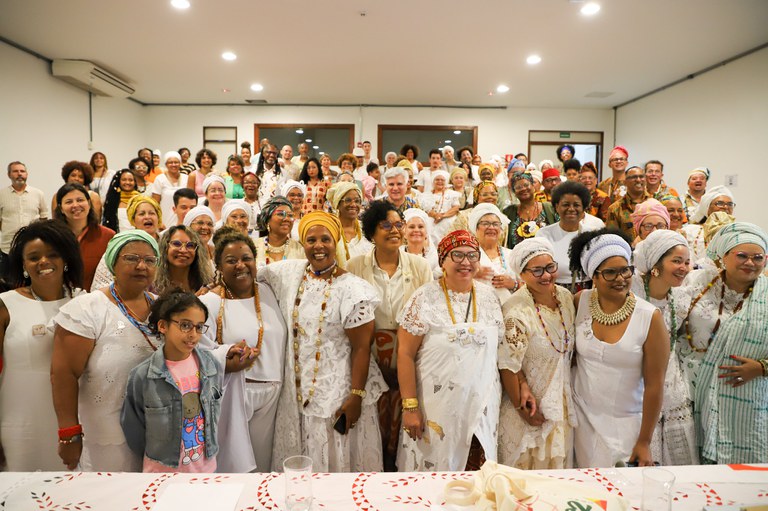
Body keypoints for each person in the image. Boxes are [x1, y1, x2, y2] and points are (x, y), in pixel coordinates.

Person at [259, 211, 387, 472]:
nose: (318, 246)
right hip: (298, 395)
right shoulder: (291, 275)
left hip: (338, 394)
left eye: (325, 239)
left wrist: (356, 396)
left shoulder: (352, 289)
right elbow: (252, 273)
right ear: (303, 244)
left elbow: (362, 348)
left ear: (335, 242)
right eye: (311, 240)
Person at [51, 230, 162, 471]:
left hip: (157, 436)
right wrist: (69, 433)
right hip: (106, 438)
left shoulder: (161, 306)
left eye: (149, 260)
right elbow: (64, 374)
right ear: (112, 262)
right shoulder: (87, 308)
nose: (141, 266)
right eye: (131, 258)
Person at [397, 230, 503, 471]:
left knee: (479, 472)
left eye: (472, 255)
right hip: (436, 405)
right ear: (442, 260)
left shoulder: (489, 296)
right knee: (436, 469)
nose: (466, 262)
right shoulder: (424, 297)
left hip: (483, 403)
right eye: (457, 255)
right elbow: (404, 353)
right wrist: (410, 406)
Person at [121, 291, 255, 473]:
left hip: (206, 471)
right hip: (161, 473)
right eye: (185, 325)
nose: (193, 334)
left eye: (199, 327)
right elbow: (134, 429)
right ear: (163, 325)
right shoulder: (144, 376)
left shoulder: (210, 365)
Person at [568, 229, 669, 467]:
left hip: (625, 428)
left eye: (625, 270)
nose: (620, 278)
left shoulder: (649, 317)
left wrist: (644, 441)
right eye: (610, 272)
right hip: (580, 423)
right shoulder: (580, 301)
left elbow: (655, 386)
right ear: (593, 276)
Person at [347, 201, 433, 470]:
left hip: (409, 356)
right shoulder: (355, 266)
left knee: (404, 428)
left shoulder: (419, 266)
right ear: (371, 232)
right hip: (369, 356)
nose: (395, 230)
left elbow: (428, 314)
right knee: (374, 427)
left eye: (398, 225)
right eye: (386, 225)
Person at [198, 229, 287, 472]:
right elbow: (198, 352)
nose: (240, 265)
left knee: (263, 466)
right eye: (231, 260)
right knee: (232, 467)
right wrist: (227, 357)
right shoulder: (208, 302)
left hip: (272, 393)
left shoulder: (269, 291)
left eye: (247, 258)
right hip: (234, 391)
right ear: (218, 266)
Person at [0, 220, 83, 471]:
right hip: (19, 419)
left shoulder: (85, 301)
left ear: (65, 259)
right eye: (34, 257)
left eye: (52, 254)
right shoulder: (6, 304)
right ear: (23, 265)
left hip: (75, 420)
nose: (43, 262)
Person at [692, 222, 768, 464]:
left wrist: (761, 367)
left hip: (749, 398)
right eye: (742, 255)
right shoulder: (697, 283)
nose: (750, 263)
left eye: (758, 257)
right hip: (695, 389)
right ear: (724, 256)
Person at [498, 237, 576, 469]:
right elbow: (507, 365)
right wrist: (522, 409)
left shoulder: (565, 297)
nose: (546, 275)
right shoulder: (516, 311)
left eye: (550, 267)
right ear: (522, 274)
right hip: (529, 407)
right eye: (537, 270)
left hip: (561, 403)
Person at [631, 230, 698, 466]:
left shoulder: (681, 299)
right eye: (676, 261)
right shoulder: (631, 293)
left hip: (670, 381)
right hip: (633, 380)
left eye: (687, 262)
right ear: (656, 265)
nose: (684, 268)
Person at [536, 181, 603, 293]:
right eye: (566, 204)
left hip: (586, 295)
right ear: (557, 207)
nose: (571, 209)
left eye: (576, 205)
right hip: (553, 294)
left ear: (584, 208)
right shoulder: (543, 234)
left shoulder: (592, 235)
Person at [90, 195, 162, 291]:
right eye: (142, 214)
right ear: (133, 220)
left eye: (152, 213)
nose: (147, 217)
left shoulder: (168, 243)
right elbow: (101, 284)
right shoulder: (120, 244)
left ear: (158, 218)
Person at [54, 183, 115, 290]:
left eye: (80, 200)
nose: (75, 205)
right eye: (69, 202)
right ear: (61, 208)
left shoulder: (108, 236)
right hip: (60, 297)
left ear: (89, 203)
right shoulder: (52, 237)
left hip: (96, 297)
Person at [0, 161, 49, 277]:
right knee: (8, 282)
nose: (19, 174)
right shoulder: (1, 195)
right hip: (8, 249)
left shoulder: (38, 194)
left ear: (27, 174)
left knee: (33, 279)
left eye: (22, 171)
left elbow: (44, 219)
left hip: (33, 248)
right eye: (15, 171)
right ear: (9, 174)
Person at [469, 203, 518, 302]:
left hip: (510, 307)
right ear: (476, 228)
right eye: (485, 223)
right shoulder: (467, 255)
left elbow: (529, 286)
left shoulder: (512, 254)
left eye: (495, 224)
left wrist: (513, 284)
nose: (491, 227)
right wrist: (470, 275)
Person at [682, 185, 735, 264]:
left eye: (730, 204)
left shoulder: (737, 232)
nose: (725, 207)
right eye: (720, 203)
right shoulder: (690, 231)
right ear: (707, 207)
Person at [503, 172, 557, 250]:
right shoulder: (508, 212)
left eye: (526, 185)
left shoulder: (550, 208)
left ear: (533, 187)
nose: (523, 189)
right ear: (514, 192)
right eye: (518, 187)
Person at [154, 225, 212, 294]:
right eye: (176, 244)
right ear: (165, 247)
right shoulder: (152, 286)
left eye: (190, 245)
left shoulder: (206, 285)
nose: (183, 250)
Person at [327, 181, 373, 259]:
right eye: (348, 200)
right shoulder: (330, 230)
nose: (353, 205)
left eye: (357, 201)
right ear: (337, 204)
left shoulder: (367, 228)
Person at [255, 196, 304, 267]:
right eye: (280, 214)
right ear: (267, 220)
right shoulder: (255, 247)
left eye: (290, 215)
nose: (287, 219)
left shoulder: (299, 249)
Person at [605, 166, 652, 240]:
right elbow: (612, 238)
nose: (638, 180)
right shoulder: (614, 209)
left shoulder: (655, 204)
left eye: (641, 177)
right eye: (634, 177)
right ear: (625, 182)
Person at [419, 170, 460, 246]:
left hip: (447, 219)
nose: (439, 181)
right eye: (437, 179)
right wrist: (435, 215)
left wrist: (442, 216)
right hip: (431, 220)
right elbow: (424, 209)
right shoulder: (425, 195)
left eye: (442, 180)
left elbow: (455, 208)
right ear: (433, 181)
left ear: (446, 182)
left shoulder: (452, 194)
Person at [401, 208, 440, 277]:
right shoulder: (397, 255)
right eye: (411, 227)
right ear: (404, 233)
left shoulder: (434, 259)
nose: (416, 230)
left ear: (426, 232)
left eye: (420, 227)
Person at [102, 169, 138, 233]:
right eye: (124, 180)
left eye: (130, 180)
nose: (127, 182)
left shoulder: (141, 199)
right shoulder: (112, 200)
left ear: (135, 182)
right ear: (119, 182)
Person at [151, 151, 184, 224]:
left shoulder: (187, 178)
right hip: (165, 219)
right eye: (170, 162)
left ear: (180, 163)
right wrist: (159, 222)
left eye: (176, 162)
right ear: (166, 164)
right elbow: (155, 203)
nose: (173, 164)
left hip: (183, 219)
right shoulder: (160, 179)